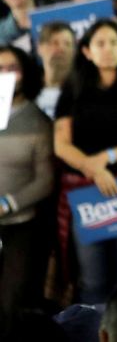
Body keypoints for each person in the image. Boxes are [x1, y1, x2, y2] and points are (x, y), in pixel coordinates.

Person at [53, 20, 117, 303]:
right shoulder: (73, 89)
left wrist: (105, 158)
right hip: (85, 191)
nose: (108, 49)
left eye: (114, 42)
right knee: (92, 278)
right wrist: (95, 169)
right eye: (100, 43)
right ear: (87, 51)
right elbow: (61, 144)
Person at [0, 45, 53, 338]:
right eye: (0, 68)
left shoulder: (38, 121)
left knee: (11, 303)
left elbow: (45, 180)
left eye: (13, 68)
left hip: (19, 226)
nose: (6, 75)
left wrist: (8, 204)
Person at [36, 22, 75, 118]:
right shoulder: (27, 90)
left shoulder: (85, 87)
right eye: (54, 43)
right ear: (39, 48)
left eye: (67, 44)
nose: (61, 48)